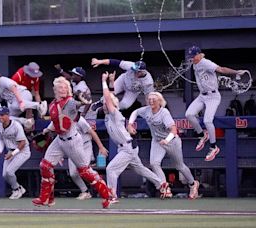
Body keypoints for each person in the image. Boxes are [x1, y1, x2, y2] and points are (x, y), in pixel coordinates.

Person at [32, 76, 112, 209]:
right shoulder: (53, 104)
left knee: (84, 171)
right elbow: (55, 121)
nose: (63, 89)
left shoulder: (70, 102)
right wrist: (46, 131)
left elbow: (79, 104)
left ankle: (106, 195)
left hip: (72, 140)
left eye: (65, 87)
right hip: (59, 139)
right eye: (60, 87)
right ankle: (46, 198)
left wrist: (84, 101)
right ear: (55, 89)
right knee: (45, 165)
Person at [100, 72, 169, 200]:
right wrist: (111, 82)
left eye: (106, 104)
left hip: (127, 147)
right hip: (126, 146)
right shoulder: (108, 115)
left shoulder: (115, 113)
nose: (105, 104)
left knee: (111, 169)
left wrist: (104, 82)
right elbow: (111, 96)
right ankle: (161, 183)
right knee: (140, 169)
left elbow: (109, 99)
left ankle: (112, 195)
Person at [128, 92, 200, 199]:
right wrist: (130, 124)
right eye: (149, 99)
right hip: (157, 141)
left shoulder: (164, 113)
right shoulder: (146, 110)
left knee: (179, 166)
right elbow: (136, 112)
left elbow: (174, 130)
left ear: (159, 101)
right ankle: (164, 187)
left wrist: (167, 140)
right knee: (154, 163)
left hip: (171, 141)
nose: (151, 101)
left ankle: (193, 184)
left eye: (154, 99)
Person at [185, 45, 247, 161]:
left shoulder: (206, 62)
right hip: (202, 95)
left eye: (193, 56)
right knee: (189, 114)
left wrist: (236, 72)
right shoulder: (194, 64)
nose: (191, 58)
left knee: (207, 120)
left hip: (213, 96)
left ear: (199, 54)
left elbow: (221, 69)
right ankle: (202, 135)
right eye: (191, 57)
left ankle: (214, 147)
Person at [0, 106, 31, 200]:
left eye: (2, 115)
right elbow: (1, 141)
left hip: (23, 151)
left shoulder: (16, 125)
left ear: (8, 115)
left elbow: (22, 143)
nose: (0, 117)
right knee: (5, 174)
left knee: (9, 172)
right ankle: (18, 188)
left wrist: (13, 154)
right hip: (11, 151)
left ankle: (17, 190)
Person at [68, 116, 108, 200]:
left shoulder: (79, 120)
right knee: (73, 173)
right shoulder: (62, 120)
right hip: (72, 147)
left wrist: (101, 147)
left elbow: (93, 133)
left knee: (84, 171)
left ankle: (103, 186)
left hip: (85, 146)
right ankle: (85, 191)